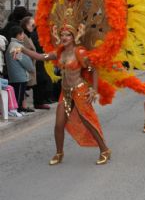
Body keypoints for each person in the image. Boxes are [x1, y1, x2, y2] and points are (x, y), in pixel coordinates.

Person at [20, 24, 111, 165]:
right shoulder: (59, 53)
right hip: (65, 92)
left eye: (68, 35)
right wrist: (22, 49)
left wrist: (93, 89)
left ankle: (104, 150)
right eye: (62, 35)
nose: (64, 37)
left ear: (74, 37)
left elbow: (93, 69)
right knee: (58, 124)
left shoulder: (79, 52)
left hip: (80, 90)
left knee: (88, 121)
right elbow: (40, 56)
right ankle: (59, 153)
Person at [20, 16, 50, 110]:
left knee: (41, 80)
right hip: (31, 62)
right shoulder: (25, 36)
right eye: (32, 25)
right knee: (36, 81)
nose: (34, 26)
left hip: (36, 61)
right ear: (26, 25)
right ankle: (33, 103)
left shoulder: (30, 34)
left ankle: (38, 102)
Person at [6, 26, 35, 114]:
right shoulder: (16, 46)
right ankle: (18, 109)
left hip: (15, 74)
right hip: (19, 75)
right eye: (22, 34)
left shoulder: (12, 45)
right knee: (19, 94)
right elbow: (22, 59)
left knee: (18, 93)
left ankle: (19, 108)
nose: (23, 36)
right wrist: (31, 67)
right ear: (17, 35)